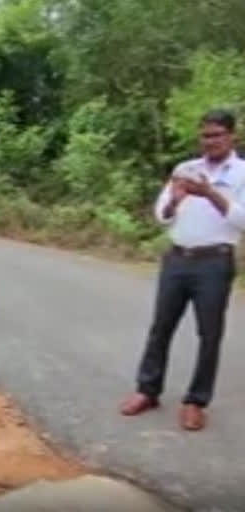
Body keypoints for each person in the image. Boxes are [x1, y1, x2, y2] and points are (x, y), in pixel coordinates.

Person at [121, 110, 245, 431]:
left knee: (209, 334)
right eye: (205, 135)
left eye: (217, 134)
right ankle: (147, 390)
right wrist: (174, 201)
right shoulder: (185, 169)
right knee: (160, 327)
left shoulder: (242, 173)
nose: (211, 141)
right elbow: (162, 217)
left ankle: (195, 402)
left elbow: (242, 221)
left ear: (232, 136)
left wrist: (211, 194)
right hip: (177, 259)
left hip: (215, 263)